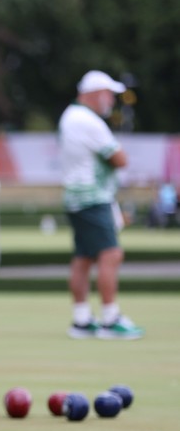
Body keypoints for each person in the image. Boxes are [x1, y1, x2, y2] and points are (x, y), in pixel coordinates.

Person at [59, 70, 143, 340]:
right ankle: (110, 318)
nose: (111, 100)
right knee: (111, 254)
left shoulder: (71, 116)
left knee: (84, 256)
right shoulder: (87, 120)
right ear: (93, 93)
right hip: (92, 196)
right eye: (108, 94)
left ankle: (82, 320)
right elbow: (119, 159)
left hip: (76, 196)